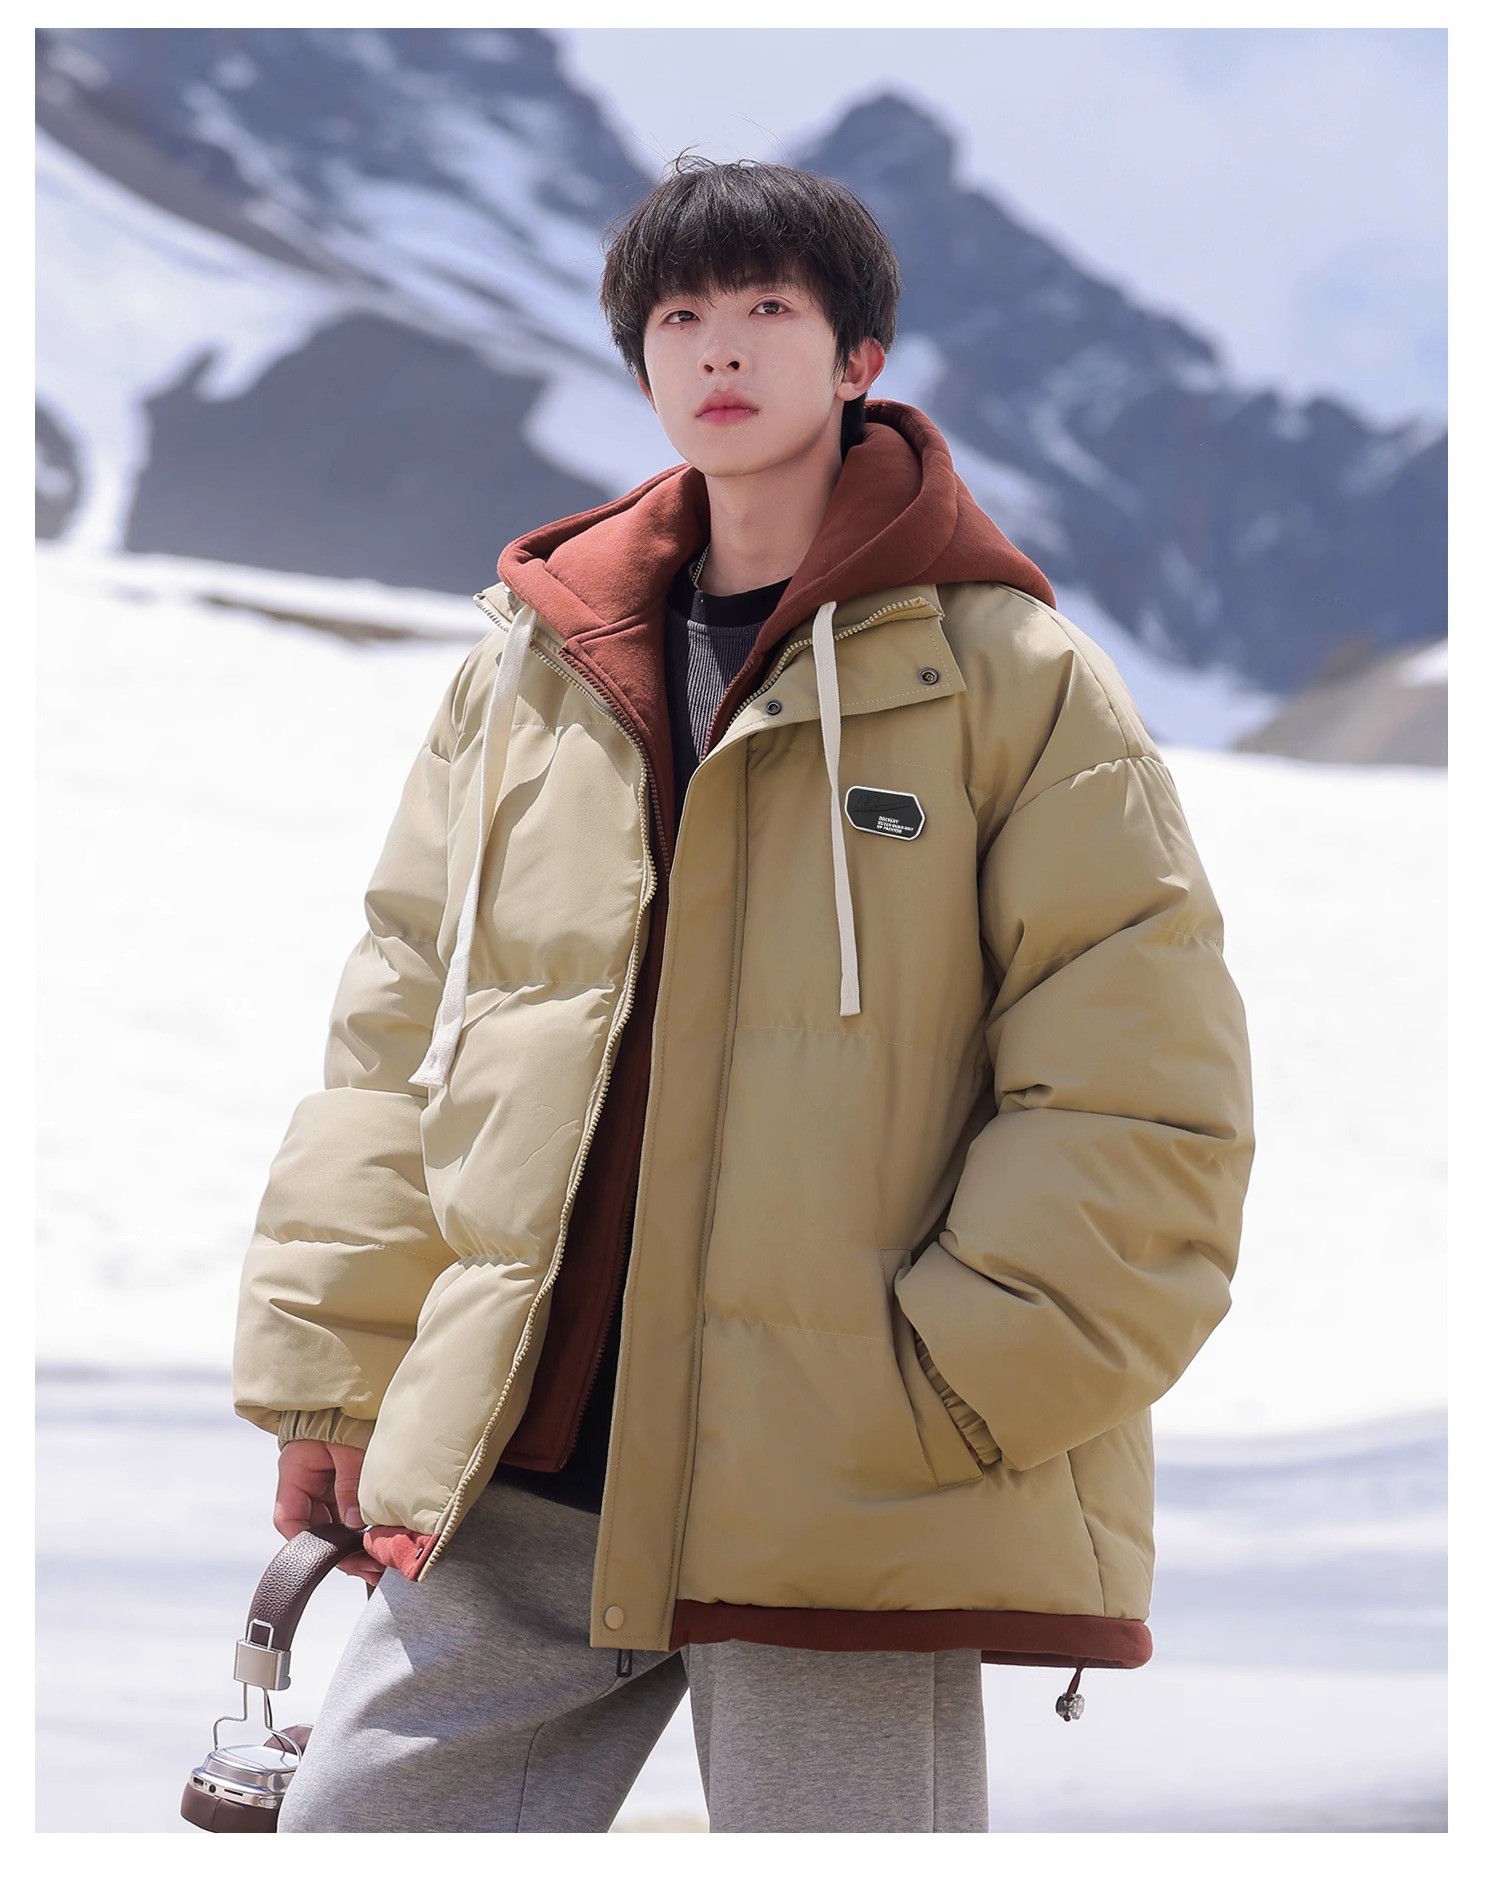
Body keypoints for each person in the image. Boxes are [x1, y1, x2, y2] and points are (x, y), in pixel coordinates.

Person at [232, 155, 1255, 1834]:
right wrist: (341, 1376)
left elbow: (1142, 1082)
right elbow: (402, 1024)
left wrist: (957, 1385)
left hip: (842, 1485)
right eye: (679, 316)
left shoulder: (1011, 680)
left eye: (770, 307)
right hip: (529, 1463)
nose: (718, 345)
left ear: (859, 358)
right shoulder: (531, 669)